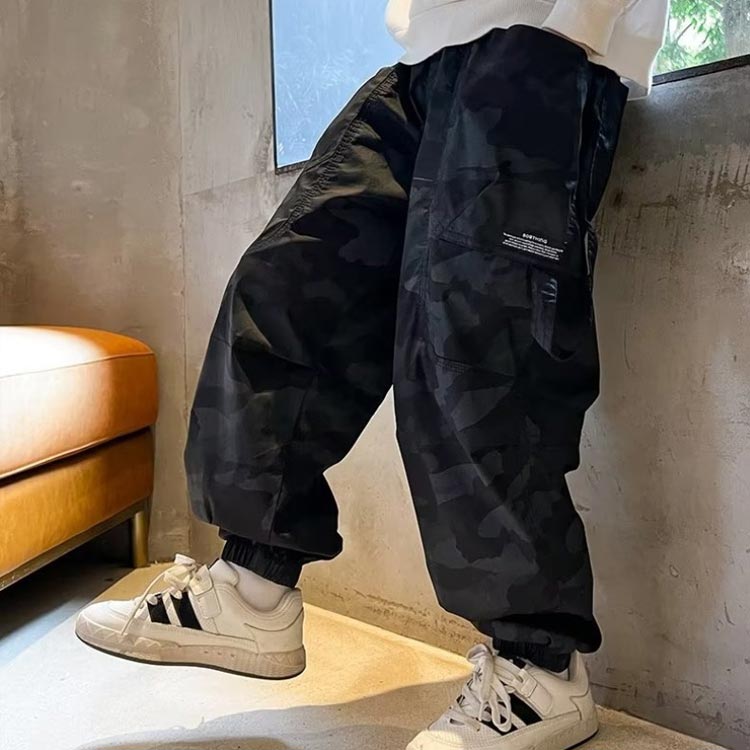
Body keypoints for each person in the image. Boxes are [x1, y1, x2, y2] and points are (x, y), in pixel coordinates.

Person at [76, 2, 670, 748]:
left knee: (474, 353)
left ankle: (541, 671)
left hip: (545, 44)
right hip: (426, 61)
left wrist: (573, 27)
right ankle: (253, 594)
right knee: (285, 292)